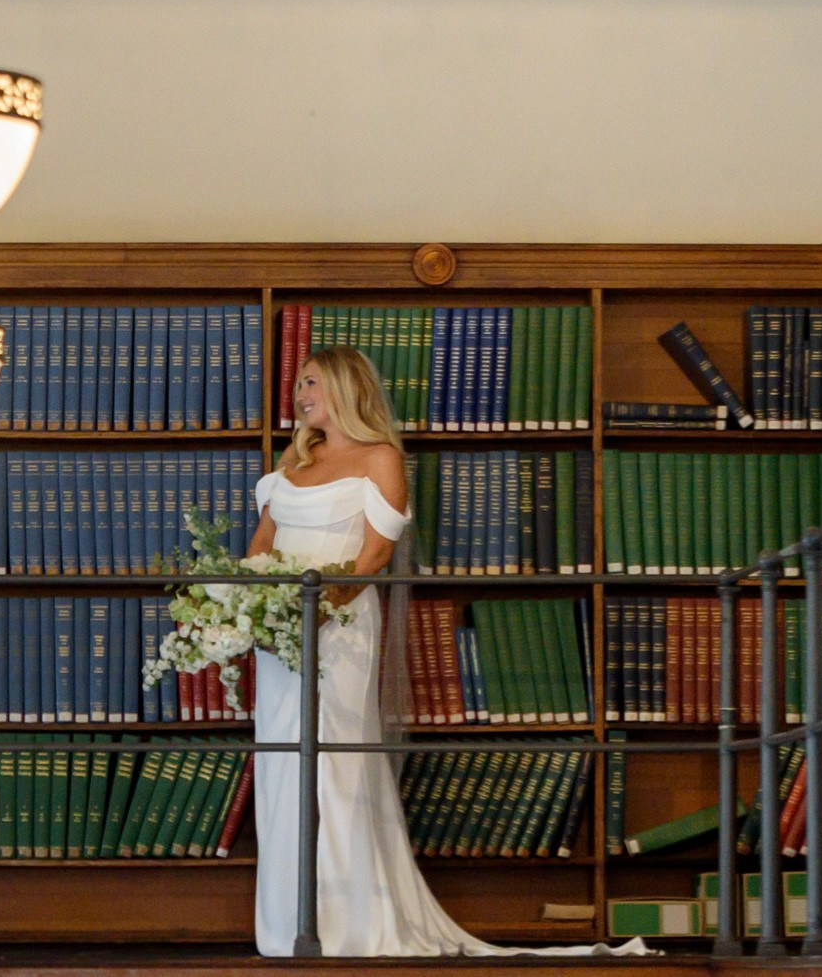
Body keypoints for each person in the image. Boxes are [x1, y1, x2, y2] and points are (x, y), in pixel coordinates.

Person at [249, 345, 639, 958]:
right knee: (281, 764)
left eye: (313, 382)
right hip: (277, 639)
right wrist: (252, 610)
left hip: (339, 627)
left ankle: (349, 925)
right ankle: (286, 925)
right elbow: (259, 550)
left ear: (348, 389)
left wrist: (320, 609)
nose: (301, 395)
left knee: (336, 758)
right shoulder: (289, 467)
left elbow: (375, 555)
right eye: (300, 384)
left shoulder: (380, 458)